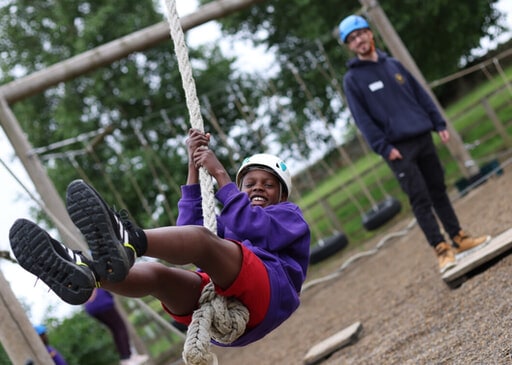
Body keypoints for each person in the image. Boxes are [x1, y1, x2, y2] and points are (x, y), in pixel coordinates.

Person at [10, 128, 311, 347]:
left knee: (204, 242)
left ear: (282, 195)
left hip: (270, 293)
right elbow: (189, 228)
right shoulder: (232, 222)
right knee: (156, 274)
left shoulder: (288, 216)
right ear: (241, 187)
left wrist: (222, 176)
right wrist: (193, 168)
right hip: (225, 305)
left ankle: (130, 241)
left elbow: (252, 228)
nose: (258, 188)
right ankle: (89, 273)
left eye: (269, 185)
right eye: (250, 183)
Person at [338, 15, 491, 274]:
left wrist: (438, 123)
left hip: (422, 136)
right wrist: (384, 147)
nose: (359, 40)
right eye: (352, 39)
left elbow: (420, 94)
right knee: (420, 199)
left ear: (370, 33)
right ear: (349, 46)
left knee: (438, 190)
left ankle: (459, 238)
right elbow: (362, 120)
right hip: (398, 149)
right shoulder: (352, 80)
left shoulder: (393, 64)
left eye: (361, 33)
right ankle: (441, 249)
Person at [85, 288, 149, 365]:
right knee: (120, 329)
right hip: (101, 302)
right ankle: (127, 358)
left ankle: (127, 356)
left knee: (116, 330)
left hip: (91, 306)